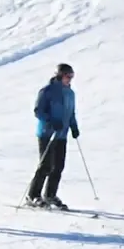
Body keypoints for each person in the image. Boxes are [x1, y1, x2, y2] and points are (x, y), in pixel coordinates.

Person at [27, 62, 79, 209]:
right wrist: (51, 122)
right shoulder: (47, 91)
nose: (69, 79)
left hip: (61, 135)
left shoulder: (70, 93)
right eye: (67, 76)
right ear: (59, 75)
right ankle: (33, 195)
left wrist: (74, 127)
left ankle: (50, 195)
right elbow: (38, 111)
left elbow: (71, 113)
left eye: (71, 76)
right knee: (46, 165)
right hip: (47, 134)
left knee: (58, 166)